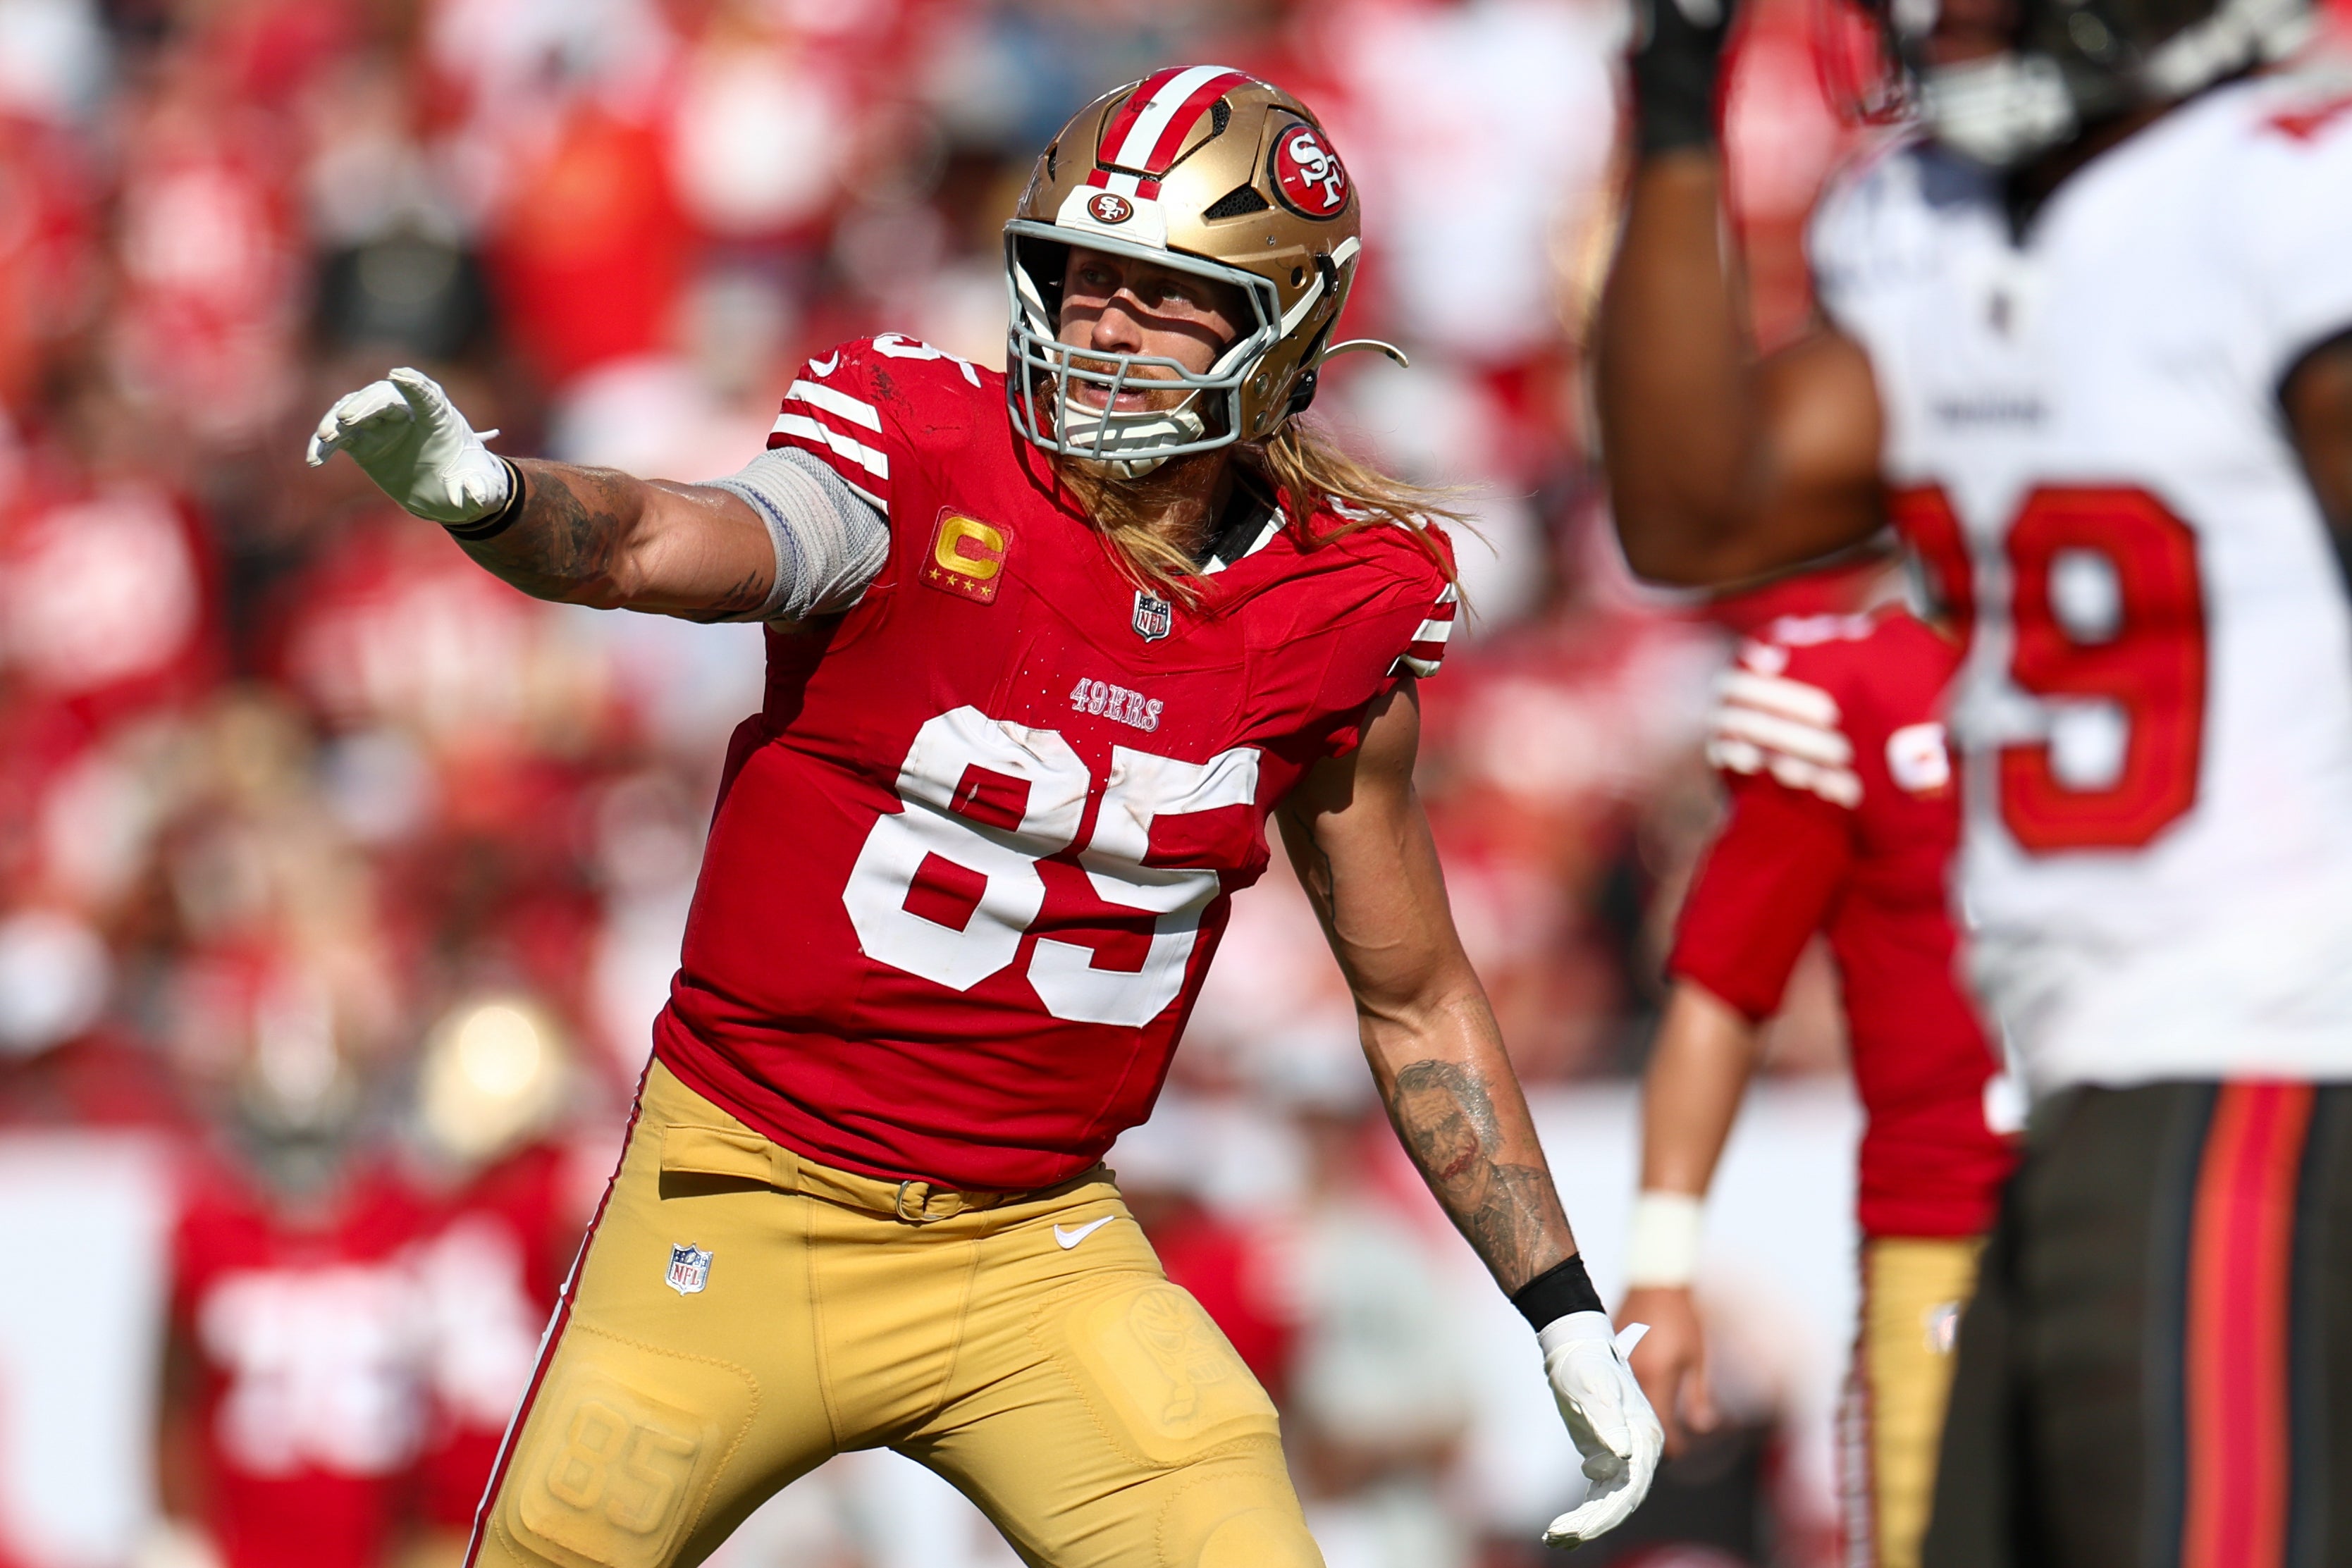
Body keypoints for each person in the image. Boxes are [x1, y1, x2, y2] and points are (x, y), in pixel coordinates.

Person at [309, 68, 1662, 1568]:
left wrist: (1563, 1305)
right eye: (1085, 279)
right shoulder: (918, 460)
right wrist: (494, 493)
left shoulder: (1341, 602)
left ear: (1282, 324)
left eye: (1164, 295)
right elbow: (660, 540)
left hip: (1028, 1247)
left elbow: (1414, 1001)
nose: (1104, 325)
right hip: (737, 1187)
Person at [1596, 0, 2352, 1560]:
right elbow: (1694, 515)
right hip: (2072, 1080)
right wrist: (1674, 108)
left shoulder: (2285, 195)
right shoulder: (1923, 225)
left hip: (2267, 1052)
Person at [1620, 578, 2017, 1568]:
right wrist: (1662, 1261)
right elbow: (1723, 979)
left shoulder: (2191, 642)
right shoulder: (1848, 682)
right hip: (1945, 1228)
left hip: (2170, 1184)